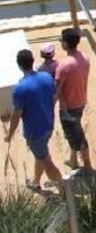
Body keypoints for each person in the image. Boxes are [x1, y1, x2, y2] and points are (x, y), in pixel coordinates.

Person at [4, 49, 64, 193]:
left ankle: (64, 191)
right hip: (48, 125)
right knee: (41, 155)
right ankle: (35, 182)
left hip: (35, 133)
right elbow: (55, 96)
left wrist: (9, 134)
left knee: (46, 161)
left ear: (19, 65)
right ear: (32, 61)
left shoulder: (20, 89)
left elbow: (16, 115)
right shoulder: (46, 77)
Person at [54, 27, 92, 172]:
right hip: (80, 101)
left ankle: (87, 165)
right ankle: (73, 160)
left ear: (66, 43)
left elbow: (56, 90)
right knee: (73, 133)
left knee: (77, 136)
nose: (60, 42)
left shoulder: (63, 66)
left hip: (68, 108)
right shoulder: (85, 58)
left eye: (61, 40)